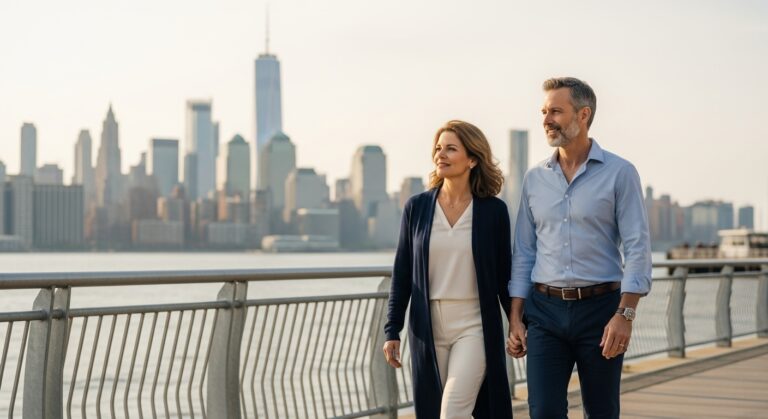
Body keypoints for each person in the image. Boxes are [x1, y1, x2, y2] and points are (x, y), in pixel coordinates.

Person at [506, 77, 652, 419]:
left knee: (601, 412)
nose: (546, 119)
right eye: (543, 111)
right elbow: (524, 252)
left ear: (583, 115)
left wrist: (625, 315)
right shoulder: (534, 179)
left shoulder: (620, 173)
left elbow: (637, 247)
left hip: (601, 312)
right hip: (544, 313)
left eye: (556, 111)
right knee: (543, 411)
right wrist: (515, 317)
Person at [383, 120, 513, 419]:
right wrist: (392, 330)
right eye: (438, 148)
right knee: (431, 412)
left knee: (453, 411)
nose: (440, 154)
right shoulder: (416, 208)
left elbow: (504, 276)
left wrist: (519, 323)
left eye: (451, 149)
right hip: (426, 327)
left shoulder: (493, 211)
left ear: (472, 159)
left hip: (474, 325)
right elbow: (402, 274)